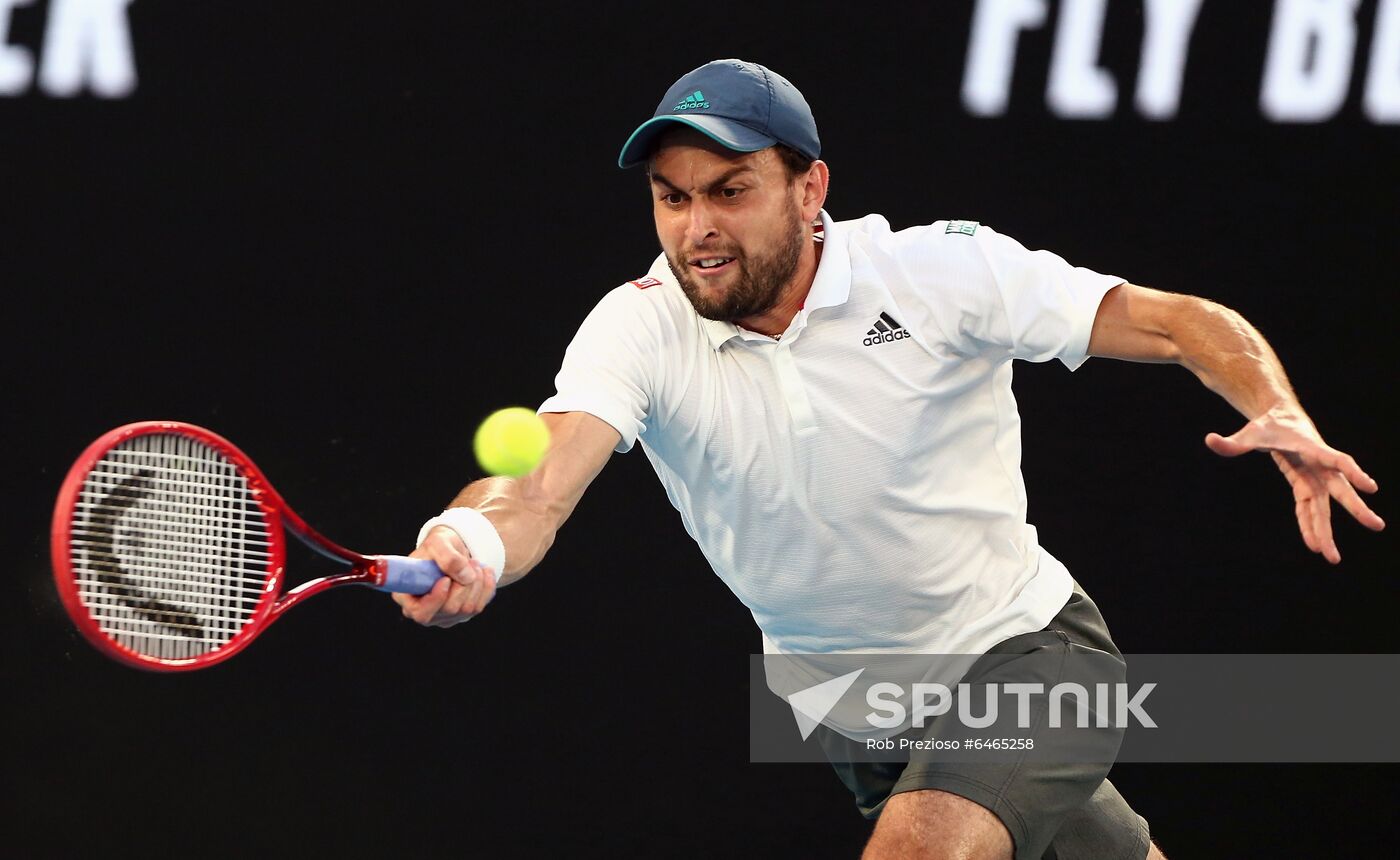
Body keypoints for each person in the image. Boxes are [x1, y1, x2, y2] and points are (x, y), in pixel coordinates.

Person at [393, 59, 1384, 859]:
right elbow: (541, 486)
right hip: (852, 710)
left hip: (1024, 653)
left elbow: (1176, 325)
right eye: (671, 197)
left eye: (729, 191)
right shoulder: (636, 327)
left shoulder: (933, 273)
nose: (696, 228)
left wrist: (1277, 409)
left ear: (808, 186)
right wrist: (475, 531)